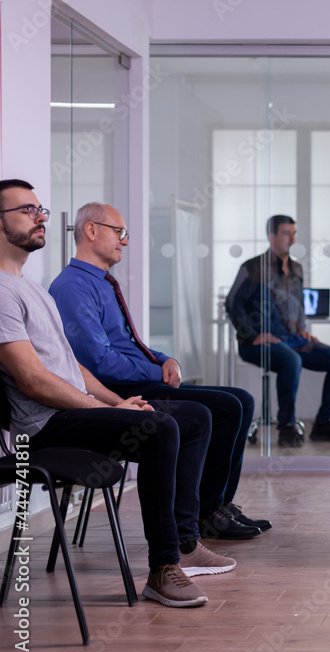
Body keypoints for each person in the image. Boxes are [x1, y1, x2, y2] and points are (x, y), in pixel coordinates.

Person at [0, 179, 234, 608]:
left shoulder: (32, 288)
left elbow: (73, 368)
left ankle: (184, 542)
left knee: (196, 417)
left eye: (40, 210)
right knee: (160, 427)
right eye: (26, 211)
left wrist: (114, 403)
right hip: (45, 425)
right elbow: (33, 381)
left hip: (72, 411)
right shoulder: (1, 292)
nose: (40, 217)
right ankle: (164, 567)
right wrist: (98, 405)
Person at [49, 202, 269, 540]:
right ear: (91, 231)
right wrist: (155, 373)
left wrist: (167, 360)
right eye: (119, 232)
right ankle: (206, 513)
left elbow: (130, 345)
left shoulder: (104, 283)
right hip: (115, 389)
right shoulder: (72, 287)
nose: (125, 241)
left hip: (135, 379)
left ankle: (218, 504)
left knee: (241, 399)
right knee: (226, 408)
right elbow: (98, 362)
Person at [226, 214, 330, 447]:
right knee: (291, 361)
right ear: (271, 236)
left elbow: (297, 305)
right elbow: (233, 303)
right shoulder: (253, 267)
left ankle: (323, 424)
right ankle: (286, 427)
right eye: (286, 233)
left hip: (292, 339)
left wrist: (302, 330)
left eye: (294, 233)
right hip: (257, 343)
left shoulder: (297, 269)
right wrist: (253, 335)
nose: (292, 238)